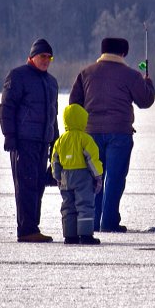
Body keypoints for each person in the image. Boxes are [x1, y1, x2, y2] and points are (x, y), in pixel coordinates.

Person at [69, 37, 155, 233]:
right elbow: (145, 101)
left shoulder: (86, 73)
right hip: (120, 133)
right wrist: (148, 83)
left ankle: (93, 220)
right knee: (115, 178)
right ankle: (109, 221)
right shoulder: (131, 75)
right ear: (123, 53)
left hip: (90, 134)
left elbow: (74, 104)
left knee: (95, 177)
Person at [0, 39, 60, 243]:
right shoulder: (18, 76)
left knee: (38, 186)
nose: (46, 60)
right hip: (24, 142)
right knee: (26, 185)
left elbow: (54, 115)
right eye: (42, 56)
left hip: (43, 142)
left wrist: (56, 144)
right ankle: (26, 230)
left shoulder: (51, 82)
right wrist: (9, 136)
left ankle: (33, 227)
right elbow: (7, 108)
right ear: (32, 56)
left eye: (49, 57)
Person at [51, 104, 104, 245]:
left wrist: (57, 176)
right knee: (85, 205)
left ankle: (70, 236)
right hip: (83, 177)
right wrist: (97, 176)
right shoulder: (85, 139)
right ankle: (85, 235)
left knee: (68, 206)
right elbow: (92, 159)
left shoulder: (60, 140)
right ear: (83, 120)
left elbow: (55, 160)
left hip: (65, 177)